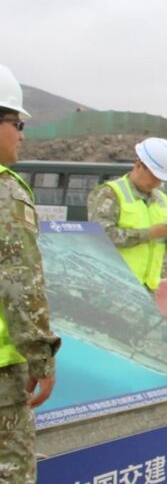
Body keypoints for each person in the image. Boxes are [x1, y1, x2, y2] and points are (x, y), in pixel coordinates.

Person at [0, 64, 60, 483]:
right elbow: (19, 284)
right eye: (16, 122)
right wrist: (41, 357)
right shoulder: (6, 191)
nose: (21, 133)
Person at [87, 137, 167, 292]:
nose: (157, 183)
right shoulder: (110, 194)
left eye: (161, 178)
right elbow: (100, 238)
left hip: (148, 288)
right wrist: (149, 234)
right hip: (114, 286)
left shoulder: (163, 200)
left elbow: (166, 247)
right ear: (139, 165)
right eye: (154, 176)